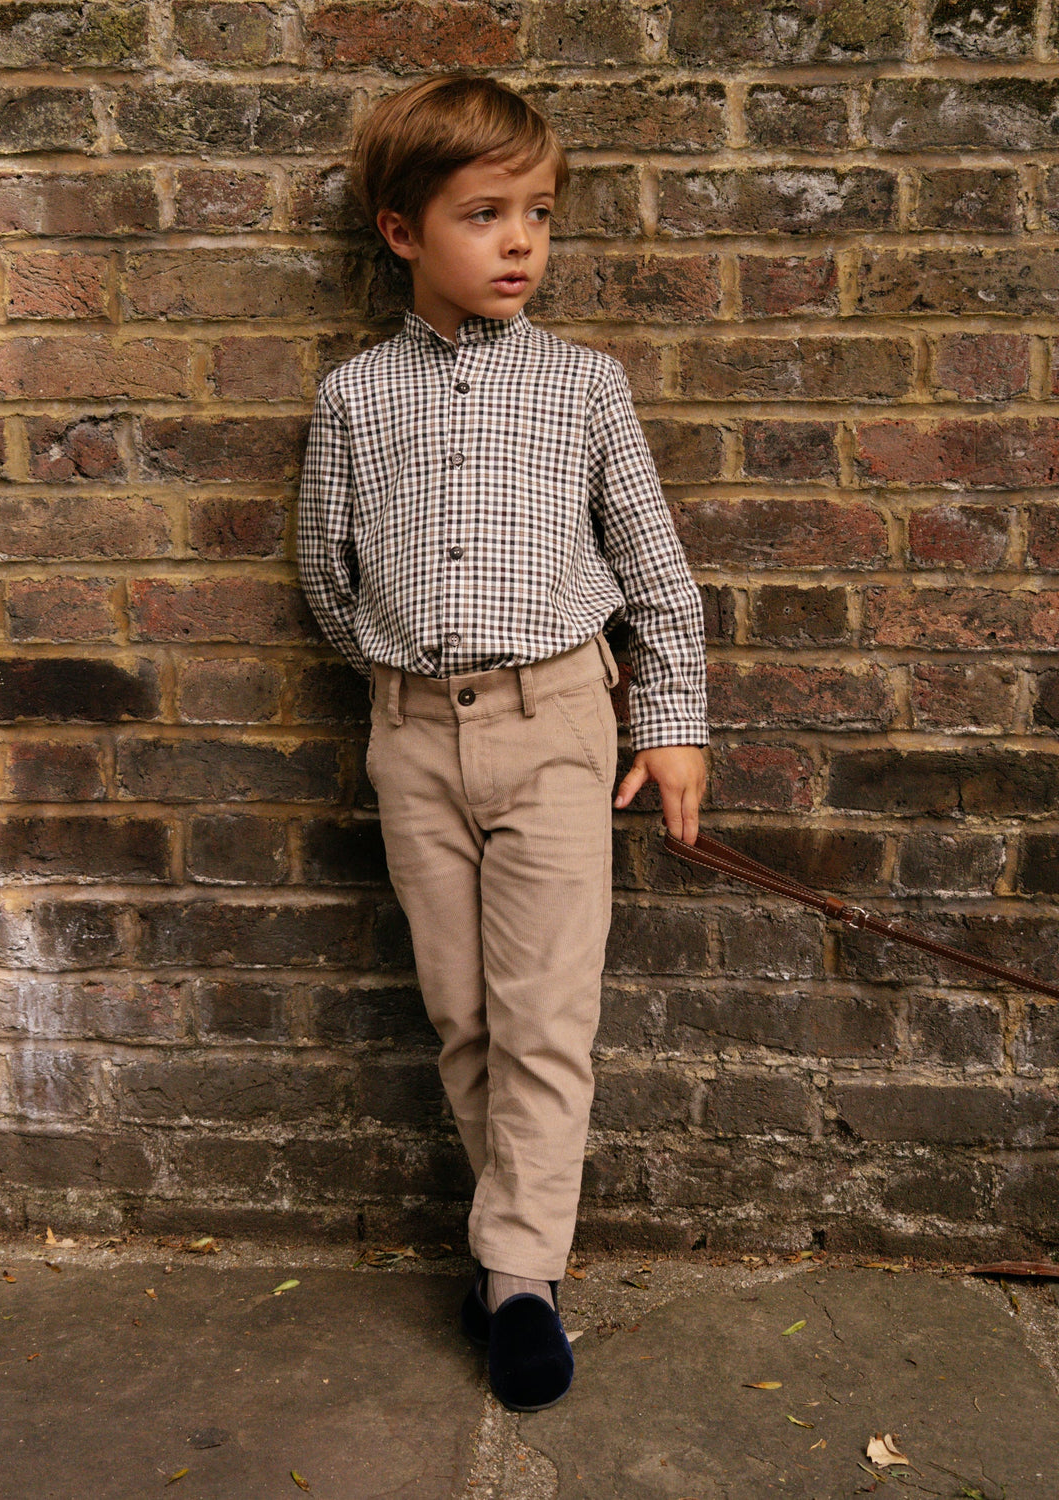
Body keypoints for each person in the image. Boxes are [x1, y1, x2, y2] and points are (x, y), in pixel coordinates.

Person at [296, 73, 708, 1411]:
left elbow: (656, 573)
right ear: (404, 232)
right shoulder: (355, 398)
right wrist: (407, 677)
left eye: (538, 213)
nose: (522, 241)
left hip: (558, 726)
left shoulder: (586, 388)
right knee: (464, 1014)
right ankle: (510, 1243)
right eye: (486, 215)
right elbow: (324, 569)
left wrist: (674, 725)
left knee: (544, 1018)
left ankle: (520, 1274)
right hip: (414, 737)